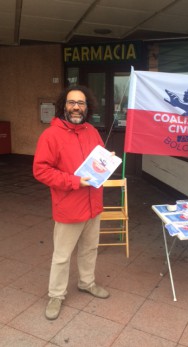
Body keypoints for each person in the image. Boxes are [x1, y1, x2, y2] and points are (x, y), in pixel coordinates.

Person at [33, 85, 110, 320]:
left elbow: (99, 159)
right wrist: (75, 181)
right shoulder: (50, 135)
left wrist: (108, 160)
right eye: (72, 102)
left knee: (90, 249)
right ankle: (56, 294)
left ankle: (87, 282)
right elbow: (41, 171)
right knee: (62, 255)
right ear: (63, 106)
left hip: (93, 204)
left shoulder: (92, 132)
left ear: (88, 107)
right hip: (69, 206)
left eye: (81, 103)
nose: (76, 107)